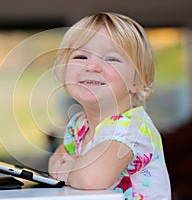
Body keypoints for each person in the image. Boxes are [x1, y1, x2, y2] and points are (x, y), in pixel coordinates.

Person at [48, 12, 171, 199]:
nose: (92, 66)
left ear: (137, 81)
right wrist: (74, 170)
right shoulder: (78, 125)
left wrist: (69, 169)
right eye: (81, 57)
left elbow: (91, 178)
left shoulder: (132, 127)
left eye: (111, 59)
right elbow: (54, 161)